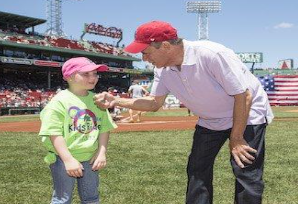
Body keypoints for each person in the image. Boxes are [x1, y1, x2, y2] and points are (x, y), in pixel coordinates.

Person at [94, 21, 273, 204]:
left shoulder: (211, 54)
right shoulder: (162, 69)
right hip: (210, 120)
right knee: (197, 168)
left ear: (165, 46)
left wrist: (236, 138)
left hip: (248, 113)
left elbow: (244, 96)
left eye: (146, 52)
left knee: (246, 170)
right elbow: (154, 103)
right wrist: (115, 100)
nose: (144, 58)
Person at [39, 57, 117, 204]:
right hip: (62, 158)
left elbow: (104, 129)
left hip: (90, 158)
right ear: (69, 76)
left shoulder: (97, 100)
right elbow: (54, 133)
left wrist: (101, 153)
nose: (93, 77)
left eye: (95, 74)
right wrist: (68, 159)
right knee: (62, 199)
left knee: (91, 198)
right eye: (86, 74)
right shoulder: (59, 101)